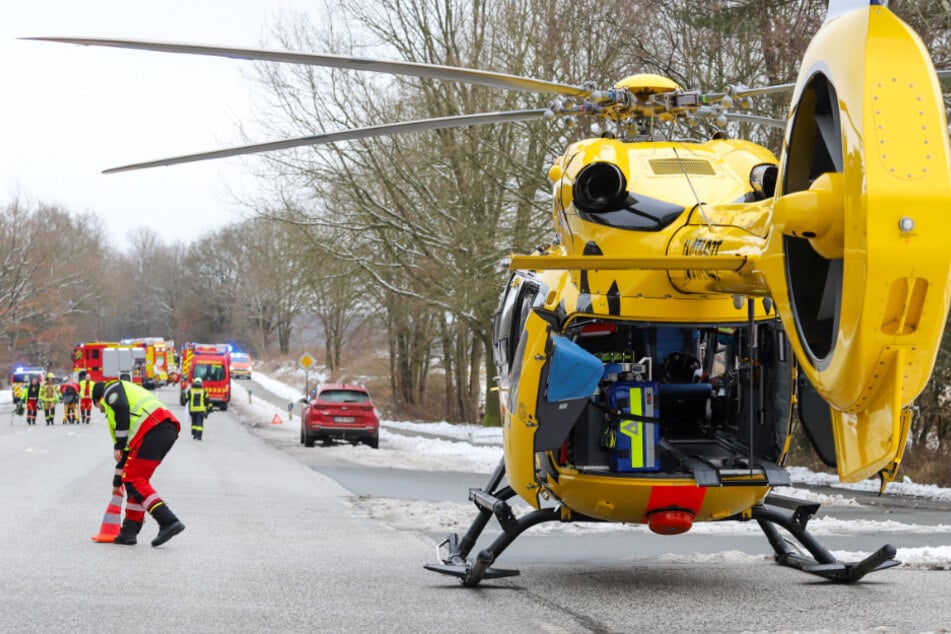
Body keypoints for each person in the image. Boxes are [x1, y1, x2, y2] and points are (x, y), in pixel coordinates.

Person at [92, 379, 185, 547]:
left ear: (98, 399)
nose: (101, 411)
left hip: (153, 428)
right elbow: (125, 455)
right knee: (134, 480)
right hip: (161, 430)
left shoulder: (110, 390)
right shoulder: (118, 410)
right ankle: (129, 531)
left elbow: (121, 407)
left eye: (98, 407)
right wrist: (117, 481)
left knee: (135, 480)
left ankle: (167, 520)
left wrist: (118, 445)